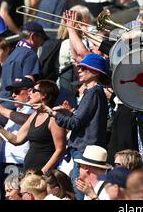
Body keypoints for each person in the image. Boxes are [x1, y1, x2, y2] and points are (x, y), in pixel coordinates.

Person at [45, 54, 109, 200]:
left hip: (83, 150)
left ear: (96, 71)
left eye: (83, 68)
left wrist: (50, 112)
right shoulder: (95, 93)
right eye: (79, 67)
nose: (79, 70)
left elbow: (74, 123)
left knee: (80, 193)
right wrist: (67, 113)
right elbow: (79, 121)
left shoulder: (93, 92)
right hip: (83, 149)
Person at [0, 80, 66, 174]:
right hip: (29, 170)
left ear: (44, 95)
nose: (30, 93)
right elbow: (16, 140)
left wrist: (44, 171)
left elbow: (60, 149)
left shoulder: (54, 118)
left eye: (33, 90)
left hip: (43, 172)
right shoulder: (34, 116)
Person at [0, 77, 34, 184]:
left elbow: (28, 120)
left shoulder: (33, 110)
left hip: (19, 162)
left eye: (17, 92)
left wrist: (1, 109)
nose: (13, 95)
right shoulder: (15, 111)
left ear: (29, 92)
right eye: (12, 92)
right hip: (7, 161)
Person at [0, 22, 46, 110]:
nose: (42, 43)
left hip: (2, 104)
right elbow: (27, 83)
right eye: (42, 38)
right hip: (15, 108)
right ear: (33, 36)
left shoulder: (11, 55)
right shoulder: (30, 54)